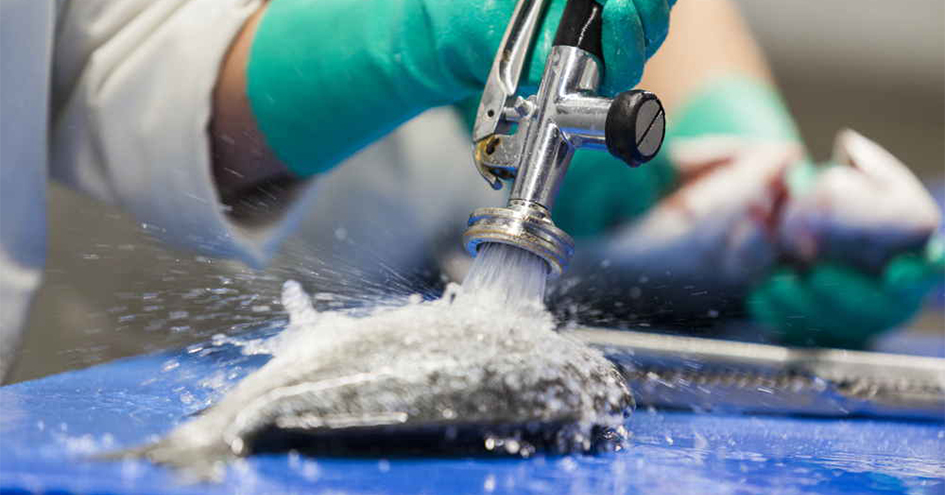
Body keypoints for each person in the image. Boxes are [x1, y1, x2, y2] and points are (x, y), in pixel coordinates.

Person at [0, 0, 939, 382]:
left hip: (475, 255)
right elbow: (109, 54)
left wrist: (742, 150)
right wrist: (410, 30)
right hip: (169, 326)